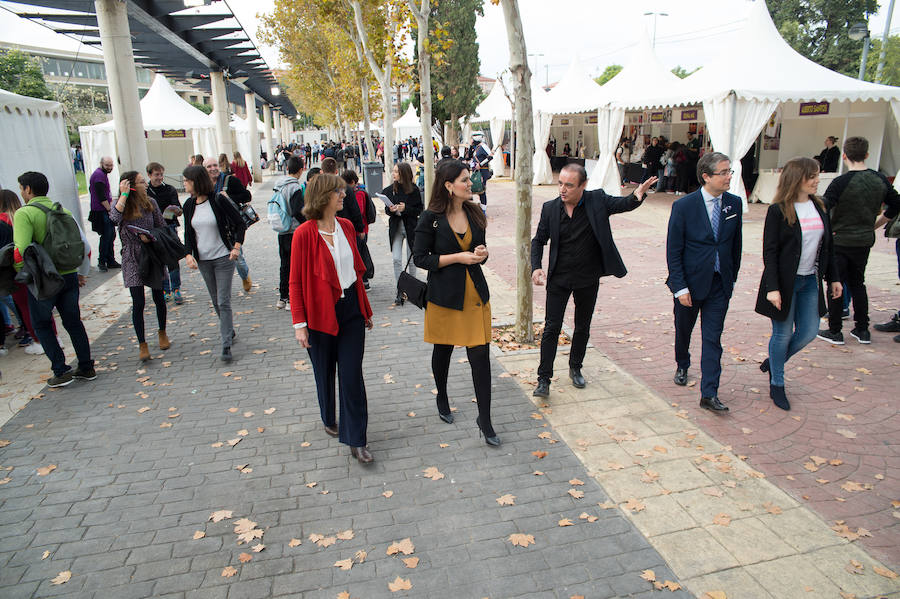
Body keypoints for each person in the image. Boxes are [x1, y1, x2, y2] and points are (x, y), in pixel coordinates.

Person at [531, 164, 657, 398]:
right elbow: (538, 240)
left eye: (569, 185)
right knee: (551, 327)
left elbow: (622, 204)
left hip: (587, 277)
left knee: (582, 326)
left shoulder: (597, 200)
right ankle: (543, 378)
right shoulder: (550, 209)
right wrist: (536, 267)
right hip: (559, 278)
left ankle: (575, 367)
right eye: (560, 183)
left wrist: (638, 195)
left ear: (583, 185)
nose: (563, 189)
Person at [289, 173, 374, 464]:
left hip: (350, 311)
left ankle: (356, 439)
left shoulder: (347, 226)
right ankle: (328, 416)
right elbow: (295, 283)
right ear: (323, 196)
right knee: (324, 372)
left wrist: (365, 309)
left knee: (351, 375)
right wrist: (299, 324)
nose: (344, 195)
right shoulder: (303, 234)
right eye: (338, 191)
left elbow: (356, 275)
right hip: (318, 315)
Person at [413, 160, 498, 446]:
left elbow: (481, 252)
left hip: (474, 296)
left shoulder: (475, 213)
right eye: (464, 179)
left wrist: (481, 253)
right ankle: (442, 396)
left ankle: (484, 419)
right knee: (444, 349)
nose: (470, 182)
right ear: (449, 186)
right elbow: (421, 258)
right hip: (445, 298)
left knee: (480, 358)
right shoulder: (431, 218)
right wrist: (458, 258)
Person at [755, 157, 841, 410]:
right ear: (797, 179)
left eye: (817, 175)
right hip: (784, 283)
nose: (817, 180)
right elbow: (769, 251)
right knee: (781, 335)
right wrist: (773, 288)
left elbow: (829, 247)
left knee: (808, 332)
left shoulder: (820, 206)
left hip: (810, 280)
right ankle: (777, 384)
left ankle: (774, 361)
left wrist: (834, 277)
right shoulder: (778, 210)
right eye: (811, 176)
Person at [666, 152, 743, 412]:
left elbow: (735, 246)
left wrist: (731, 281)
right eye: (723, 172)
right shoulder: (684, 206)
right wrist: (680, 287)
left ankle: (709, 393)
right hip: (689, 284)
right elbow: (673, 250)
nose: (729, 176)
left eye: (729, 171)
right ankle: (682, 363)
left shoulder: (734, 204)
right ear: (706, 176)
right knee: (683, 330)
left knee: (713, 339)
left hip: (719, 285)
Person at [13, 172, 95, 387]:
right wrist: (81, 273)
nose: (21, 193)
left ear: (28, 189)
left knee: (42, 323)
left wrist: (20, 272)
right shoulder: (63, 210)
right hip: (68, 275)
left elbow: (20, 250)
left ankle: (61, 370)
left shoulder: (25, 213)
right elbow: (84, 245)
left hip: (43, 279)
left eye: (21, 188)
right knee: (73, 322)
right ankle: (86, 367)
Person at [817, 136, 900, 344]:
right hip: (863, 239)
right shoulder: (879, 179)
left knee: (835, 283)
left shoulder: (841, 182)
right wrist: (876, 223)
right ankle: (862, 328)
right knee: (858, 282)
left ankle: (835, 330)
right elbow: (896, 204)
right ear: (867, 155)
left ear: (844, 155)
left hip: (840, 240)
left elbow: (824, 207)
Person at [182, 165, 246, 363]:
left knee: (223, 300)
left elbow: (240, 223)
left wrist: (236, 248)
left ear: (195, 181)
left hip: (223, 258)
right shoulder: (188, 205)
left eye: (186, 180)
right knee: (215, 299)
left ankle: (226, 343)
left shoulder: (218, 200)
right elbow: (188, 233)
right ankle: (229, 330)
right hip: (203, 260)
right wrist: (188, 255)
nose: (184, 183)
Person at [109, 171, 170, 362]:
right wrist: (124, 195)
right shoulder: (122, 204)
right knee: (138, 302)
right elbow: (113, 219)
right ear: (131, 186)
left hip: (151, 252)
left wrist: (151, 235)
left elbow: (162, 226)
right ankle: (142, 343)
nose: (146, 184)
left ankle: (162, 332)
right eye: (142, 182)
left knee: (158, 296)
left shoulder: (150, 202)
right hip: (131, 255)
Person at [204, 157, 253, 292]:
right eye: (209, 166)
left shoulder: (230, 180)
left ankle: (245, 276)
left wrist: (229, 197)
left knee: (238, 258)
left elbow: (247, 196)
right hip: (212, 227)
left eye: (215, 165)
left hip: (230, 226)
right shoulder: (203, 185)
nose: (213, 168)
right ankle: (220, 286)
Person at [382, 162, 423, 305]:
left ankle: (413, 290)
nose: (394, 174)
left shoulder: (414, 190)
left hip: (411, 227)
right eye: (393, 171)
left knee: (412, 261)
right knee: (396, 259)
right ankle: (401, 290)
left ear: (403, 174)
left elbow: (419, 211)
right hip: (396, 228)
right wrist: (391, 210)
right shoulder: (389, 190)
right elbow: (387, 209)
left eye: (396, 172)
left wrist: (406, 208)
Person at [146, 162, 183, 305]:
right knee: (159, 260)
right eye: (156, 175)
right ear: (149, 175)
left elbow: (177, 207)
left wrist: (175, 211)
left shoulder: (169, 189)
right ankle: (165, 289)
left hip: (169, 227)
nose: (160, 178)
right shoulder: (146, 191)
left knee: (173, 258)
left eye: (161, 174)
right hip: (154, 229)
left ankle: (176, 289)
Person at [274, 156, 306, 309]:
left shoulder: (278, 185)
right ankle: (292, 299)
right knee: (295, 266)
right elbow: (297, 210)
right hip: (293, 231)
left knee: (284, 264)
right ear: (301, 170)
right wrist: (307, 223)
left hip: (281, 230)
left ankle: (283, 296)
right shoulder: (295, 187)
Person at [342, 169, 375, 289]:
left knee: (360, 255)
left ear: (351, 182)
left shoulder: (359, 193)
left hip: (360, 230)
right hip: (356, 229)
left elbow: (359, 212)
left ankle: (364, 280)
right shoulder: (355, 192)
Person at [88, 156, 120, 272]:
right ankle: (102, 261)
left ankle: (110, 260)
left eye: (111, 165)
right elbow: (101, 195)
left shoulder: (101, 174)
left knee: (110, 235)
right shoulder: (99, 176)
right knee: (107, 236)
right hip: (101, 210)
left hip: (103, 209)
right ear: (101, 164)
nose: (110, 168)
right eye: (107, 165)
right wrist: (110, 209)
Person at [469, 131, 493, 207]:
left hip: (483, 171)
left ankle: (483, 209)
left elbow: (490, 157)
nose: (471, 140)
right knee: (476, 189)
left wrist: (480, 164)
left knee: (482, 190)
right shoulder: (476, 147)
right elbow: (469, 156)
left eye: (472, 138)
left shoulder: (483, 146)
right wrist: (470, 146)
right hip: (476, 171)